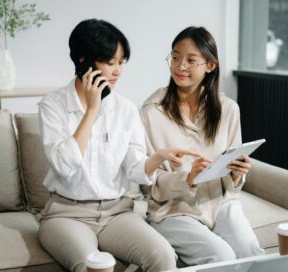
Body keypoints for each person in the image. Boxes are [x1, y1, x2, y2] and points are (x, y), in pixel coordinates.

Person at [38, 19, 195, 272]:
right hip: (67, 215)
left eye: (121, 62)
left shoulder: (126, 109)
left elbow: (134, 167)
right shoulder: (52, 105)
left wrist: (158, 157)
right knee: (94, 267)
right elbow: (63, 166)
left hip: (117, 213)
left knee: (164, 256)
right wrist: (92, 110)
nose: (117, 71)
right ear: (83, 60)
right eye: (110, 62)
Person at [140, 26, 265, 266]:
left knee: (252, 253)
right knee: (221, 257)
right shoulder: (151, 112)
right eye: (175, 57)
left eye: (190, 60)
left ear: (210, 66)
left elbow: (232, 182)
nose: (180, 66)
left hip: (220, 204)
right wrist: (186, 178)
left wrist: (238, 174)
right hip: (173, 210)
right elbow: (148, 182)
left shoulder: (228, 109)